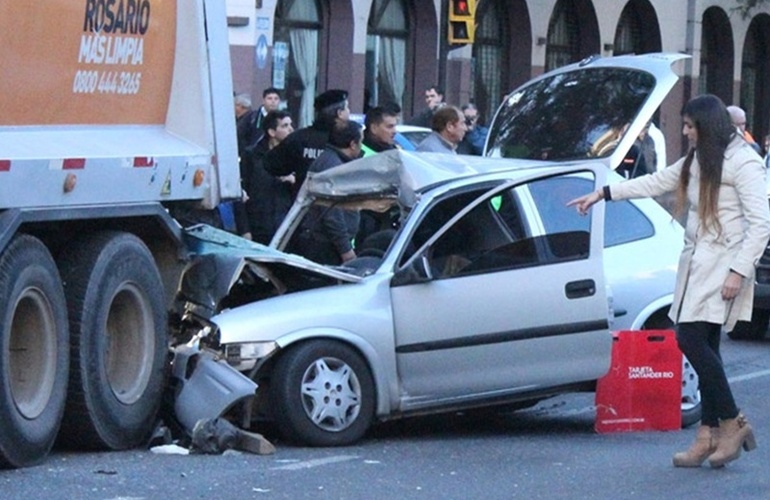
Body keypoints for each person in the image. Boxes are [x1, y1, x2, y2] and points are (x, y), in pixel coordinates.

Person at [568, 94, 770, 469]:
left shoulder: (745, 162)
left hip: (724, 264)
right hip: (697, 260)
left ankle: (732, 422)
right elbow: (656, 181)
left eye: (691, 126)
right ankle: (707, 435)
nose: (686, 132)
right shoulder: (698, 158)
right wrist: (604, 193)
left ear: (706, 127)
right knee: (706, 343)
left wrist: (739, 271)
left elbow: (761, 224)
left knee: (689, 337)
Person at [290, 120, 364, 265]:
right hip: (324, 245)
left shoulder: (334, 161)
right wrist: (345, 250)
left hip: (326, 242)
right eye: (361, 141)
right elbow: (332, 213)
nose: (362, 146)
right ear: (353, 144)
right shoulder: (332, 166)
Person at [263, 89, 350, 199]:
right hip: (339, 205)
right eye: (347, 107)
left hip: (304, 205)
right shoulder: (348, 140)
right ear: (339, 113)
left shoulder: (299, 138)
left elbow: (271, 164)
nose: (349, 112)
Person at [242, 110, 295, 244]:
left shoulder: (294, 155)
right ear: (271, 132)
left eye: (290, 125)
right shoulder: (252, 156)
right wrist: (244, 230)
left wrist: (294, 180)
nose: (291, 129)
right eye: (285, 126)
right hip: (258, 225)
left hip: (286, 226)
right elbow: (240, 193)